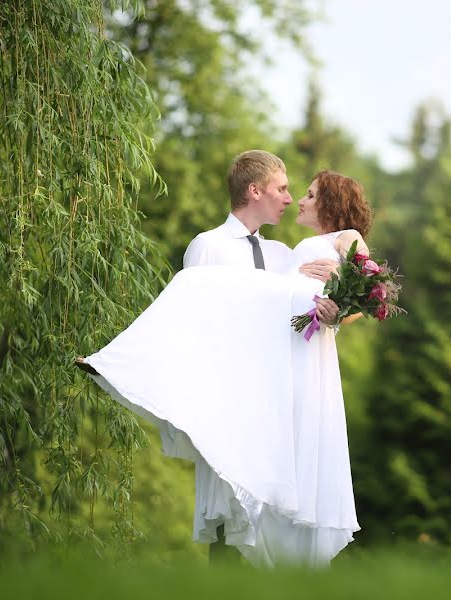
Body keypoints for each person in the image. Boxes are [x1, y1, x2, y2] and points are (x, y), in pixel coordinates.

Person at [78, 168, 373, 568]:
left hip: (288, 372)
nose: (293, 199)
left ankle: (282, 559)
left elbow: (352, 299)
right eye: (286, 190)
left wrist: (337, 305)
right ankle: (119, 364)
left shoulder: (297, 250)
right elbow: (206, 322)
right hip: (249, 377)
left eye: (302, 193)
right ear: (255, 190)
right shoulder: (219, 246)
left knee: (281, 477)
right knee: (192, 285)